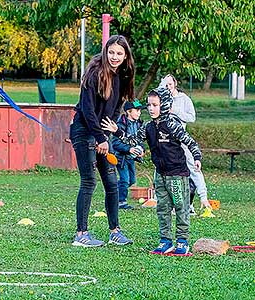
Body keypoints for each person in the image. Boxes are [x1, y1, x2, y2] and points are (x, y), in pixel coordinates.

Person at [101, 87, 202, 255]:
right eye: (149, 105)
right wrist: (117, 131)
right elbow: (132, 140)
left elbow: (190, 142)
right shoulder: (148, 127)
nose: (150, 108)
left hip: (177, 174)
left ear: (166, 105)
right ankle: (166, 241)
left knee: (180, 207)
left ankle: (182, 241)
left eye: (155, 105)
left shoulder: (172, 124)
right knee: (162, 208)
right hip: (160, 174)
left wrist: (197, 157)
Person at [70, 35, 134, 247]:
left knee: (112, 183)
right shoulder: (94, 73)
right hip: (84, 131)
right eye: (111, 52)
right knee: (89, 182)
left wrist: (106, 135)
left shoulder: (122, 76)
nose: (114, 57)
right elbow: (87, 109)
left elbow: (117, 107)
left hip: (101, 135)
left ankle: (115, 231)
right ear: (106, 52)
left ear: (125, 56)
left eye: (119, 53)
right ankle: (81, 234)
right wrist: (99, 137)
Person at [162, 74, 211, 214]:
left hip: (181, 139)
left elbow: (192, 118)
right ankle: (173, 204)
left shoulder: (184, 99)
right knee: (169, 172)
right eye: (165, 85)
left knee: (193, 168)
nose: (168, 87)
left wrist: (175, 111)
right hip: (166, 142)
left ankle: (203, 198)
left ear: (175, 84)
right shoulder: (161, 98)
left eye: (170, 84)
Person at [112, 99, 145, 210]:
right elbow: (115, 143)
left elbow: (140, 140)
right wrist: (129, 149)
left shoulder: (139, 123)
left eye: (140, 110)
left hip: (131, 157)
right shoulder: (120, 124)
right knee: (125, 180)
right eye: (137, 110)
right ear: (128, 112)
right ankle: (121, 202)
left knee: (132, 180)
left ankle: (112, 191)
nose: (139, 112)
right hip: (121, 157)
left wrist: (142, 150)